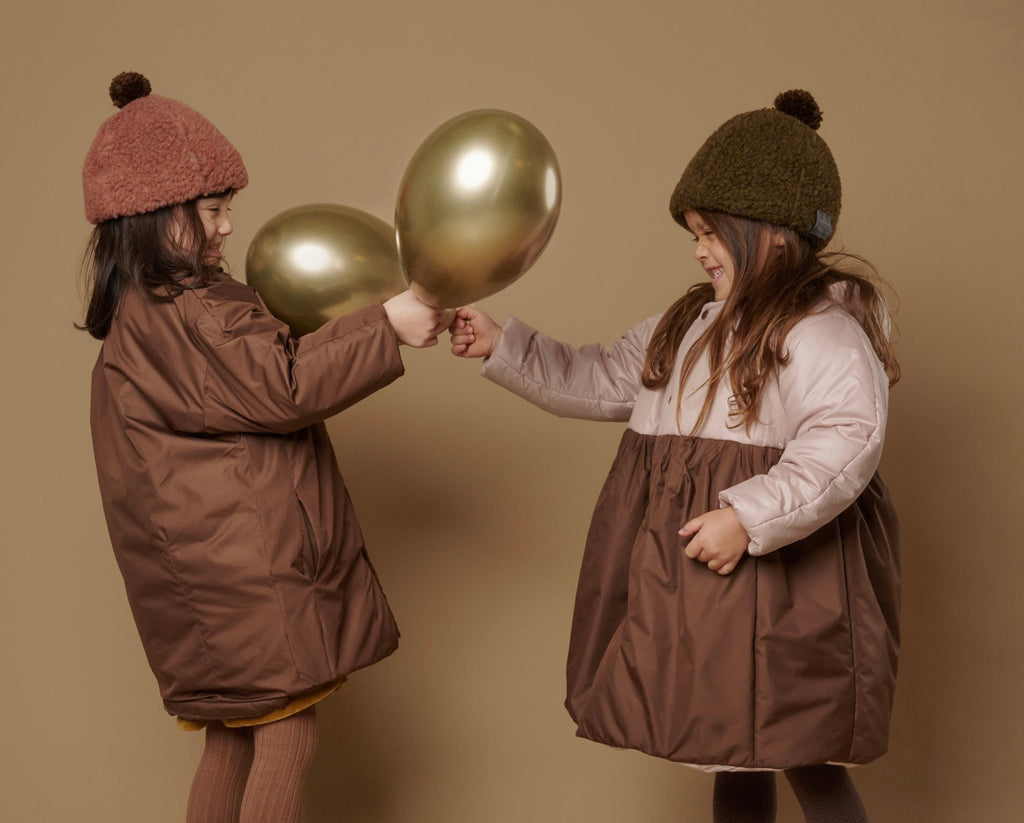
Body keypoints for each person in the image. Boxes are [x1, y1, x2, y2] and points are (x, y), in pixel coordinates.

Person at [449, 90, 901, 822]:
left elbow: (844, 443)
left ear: (774, 235)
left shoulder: (822, 334)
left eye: (713, 233)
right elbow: (602, 377)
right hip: (702, 570)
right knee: (725, 728)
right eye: (694, 233)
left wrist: (747, 515)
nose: (698, 250)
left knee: (792, 732)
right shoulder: (689, 323)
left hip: (786, 573)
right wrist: (504, 345)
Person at [80, 71, 451, 823]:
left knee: (230, 740)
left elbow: (255, 384)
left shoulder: (136, 319)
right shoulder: (198, 313)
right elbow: (285, 387)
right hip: (247, 573)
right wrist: (386, 323)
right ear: (155, 217)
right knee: (287, 734)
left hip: (198, 581)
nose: (226, 228)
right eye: (212, 211)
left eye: (228, 209)